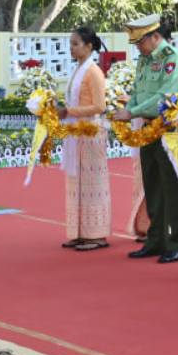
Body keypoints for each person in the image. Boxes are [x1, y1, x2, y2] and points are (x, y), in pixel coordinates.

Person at [112, 14, 178, 263]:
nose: (137, 47)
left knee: (173, 188)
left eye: (140, 42)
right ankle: (156, 239)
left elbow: (164, 95)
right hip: (147, 128)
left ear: (155, 36)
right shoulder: (144, 60)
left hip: (169, 129)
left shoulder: (173, 59)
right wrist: (127, 109)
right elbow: (137, 91)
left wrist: (132, 112)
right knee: (153, 186)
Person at [58, 25, 109, 252]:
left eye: (76, 44)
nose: (71, 48)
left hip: (90, 133)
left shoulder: (93, 72)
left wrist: (69, 111)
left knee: (92, 184)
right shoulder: (79, 69)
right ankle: (80, 232)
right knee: (76, 183)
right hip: (76, 133)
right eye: (70, 44)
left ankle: (96, 234)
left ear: (89, 47)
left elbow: (99, 106)